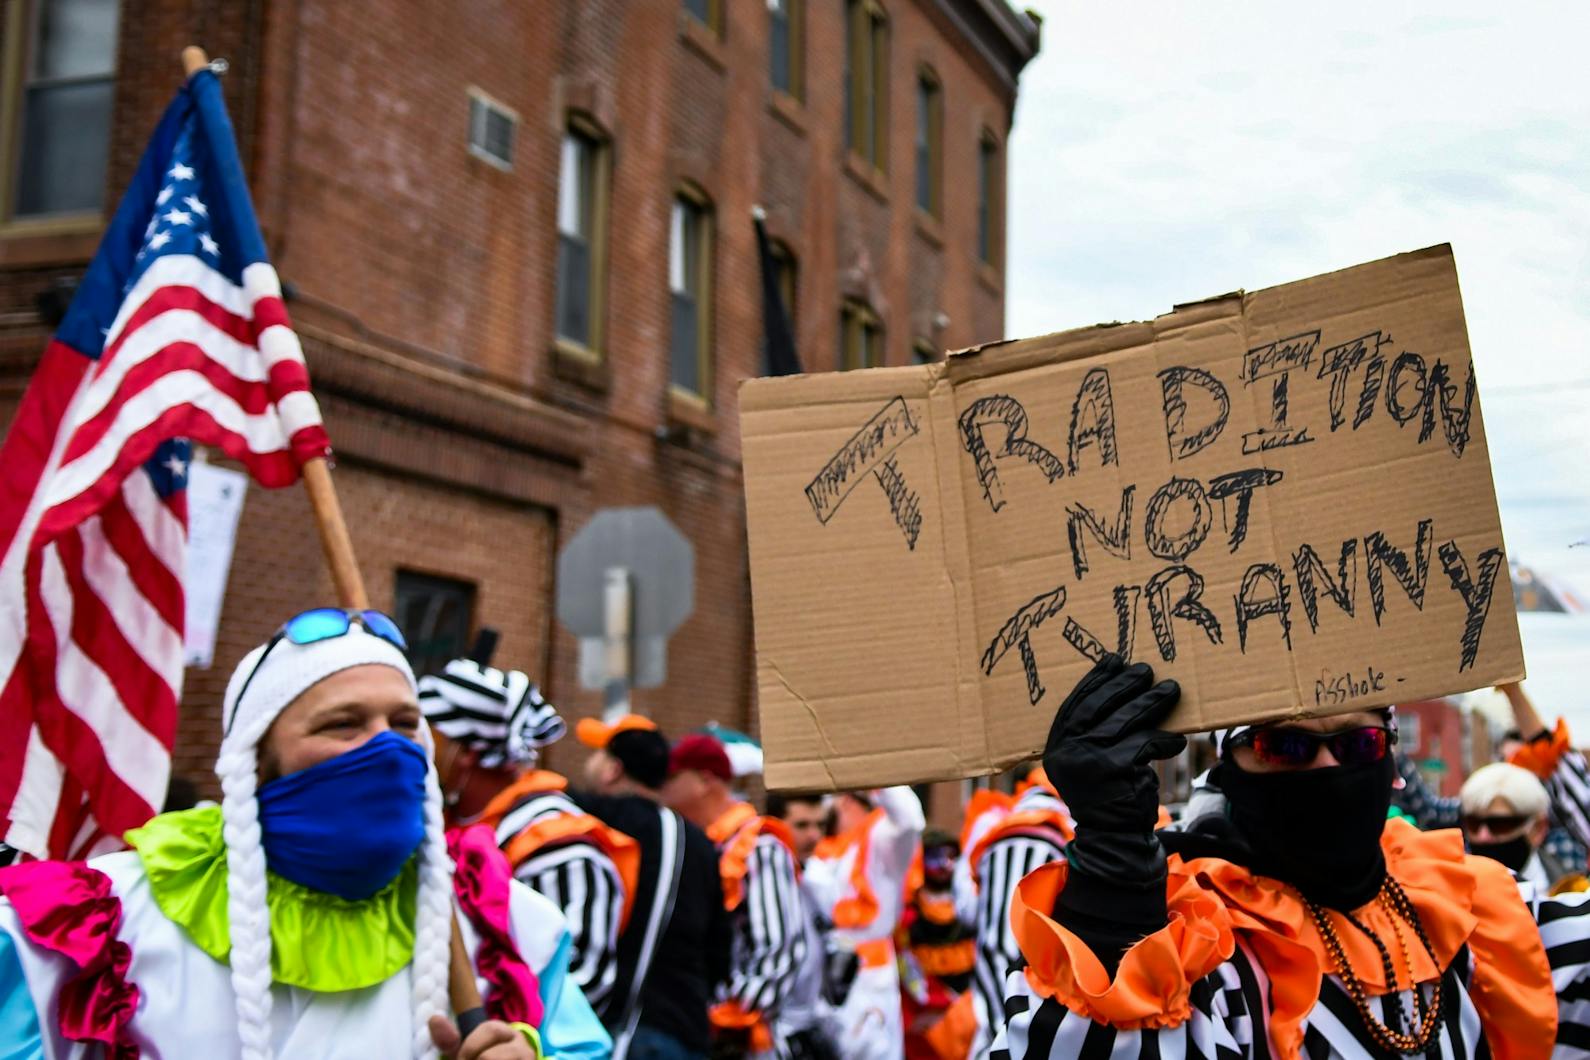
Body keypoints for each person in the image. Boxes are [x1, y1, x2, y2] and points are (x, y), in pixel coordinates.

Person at [0, 608, 609, 1059]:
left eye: (404, 723)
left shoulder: (507, 930)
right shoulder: (103, 924)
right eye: (344, 725)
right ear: (256, 762)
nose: (388, 748)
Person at [993, 655, 1590, 1057]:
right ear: (1232, 770)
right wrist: (1111, 903)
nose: (1329, 770)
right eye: (1287, 745)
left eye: (1358, 743)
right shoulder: (1206, 953)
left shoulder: (1470, 908)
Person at [420, 658, 642, 1018]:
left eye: (428, 735)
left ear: (466, 754)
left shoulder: (557, 844)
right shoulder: (442, 823)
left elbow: (581, 984)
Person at [572, 715, 732, 1060]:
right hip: (685, 1029)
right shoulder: (700, 842)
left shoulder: (586, 820)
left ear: (613, 770)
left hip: (619, 1032)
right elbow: (720, 953)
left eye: (598, 752)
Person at [664, 734, 813, 1058]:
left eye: (673, 777)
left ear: (705, 780)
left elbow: (780, 949)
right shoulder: (697, 844)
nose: (664, 787)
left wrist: (729, 1016)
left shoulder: (757, 848)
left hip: (742, 1044)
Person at [803, 786, 924, 1060]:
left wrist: (875, 776)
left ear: (845, 800)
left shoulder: (882, 838)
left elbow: (910, 820)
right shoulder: (823, 848)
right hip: (821, 980)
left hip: (868, 982)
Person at [963, 769, 1072, 1058]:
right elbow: (1004, 944)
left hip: (1014, 1002)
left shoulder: (1004, 827)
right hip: (1023, 1004)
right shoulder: (1045, 833)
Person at [898, 829, 978, 1060]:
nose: (944, 864)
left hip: (968, 1018)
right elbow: (904, 970)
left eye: (951, 856)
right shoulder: (908, 913)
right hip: (923, 1023)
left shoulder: (968, 909)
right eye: (934, 856)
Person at [1459, 761, 1558, 887]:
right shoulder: (1452, 893)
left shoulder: (1571, 891)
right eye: (1473, 823)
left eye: (1500, 824)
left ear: (1538, 828)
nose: (1483, 836)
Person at [766, 792, 828, 865]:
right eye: (801, 825)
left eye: (820, 825)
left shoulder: (819, 867)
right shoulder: (763, 858)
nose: (814, 836)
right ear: (775, 824)